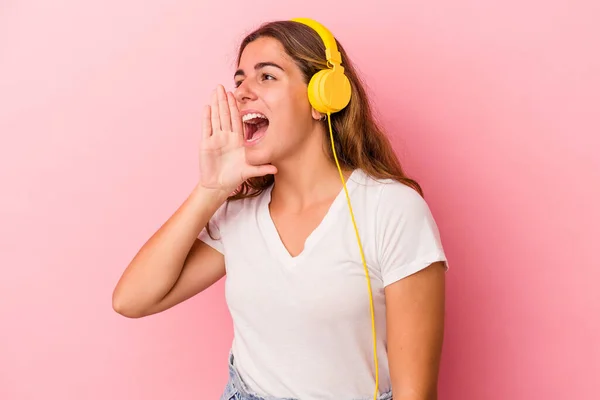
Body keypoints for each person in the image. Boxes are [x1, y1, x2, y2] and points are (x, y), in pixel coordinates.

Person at [112, 18, 448, 400]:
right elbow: (132, 300)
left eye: (266, 77)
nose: (241, 93)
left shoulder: (391, 210)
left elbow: (415, 394)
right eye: (239, 81)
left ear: (323, 99)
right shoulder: (238, 214)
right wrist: (210, 190)